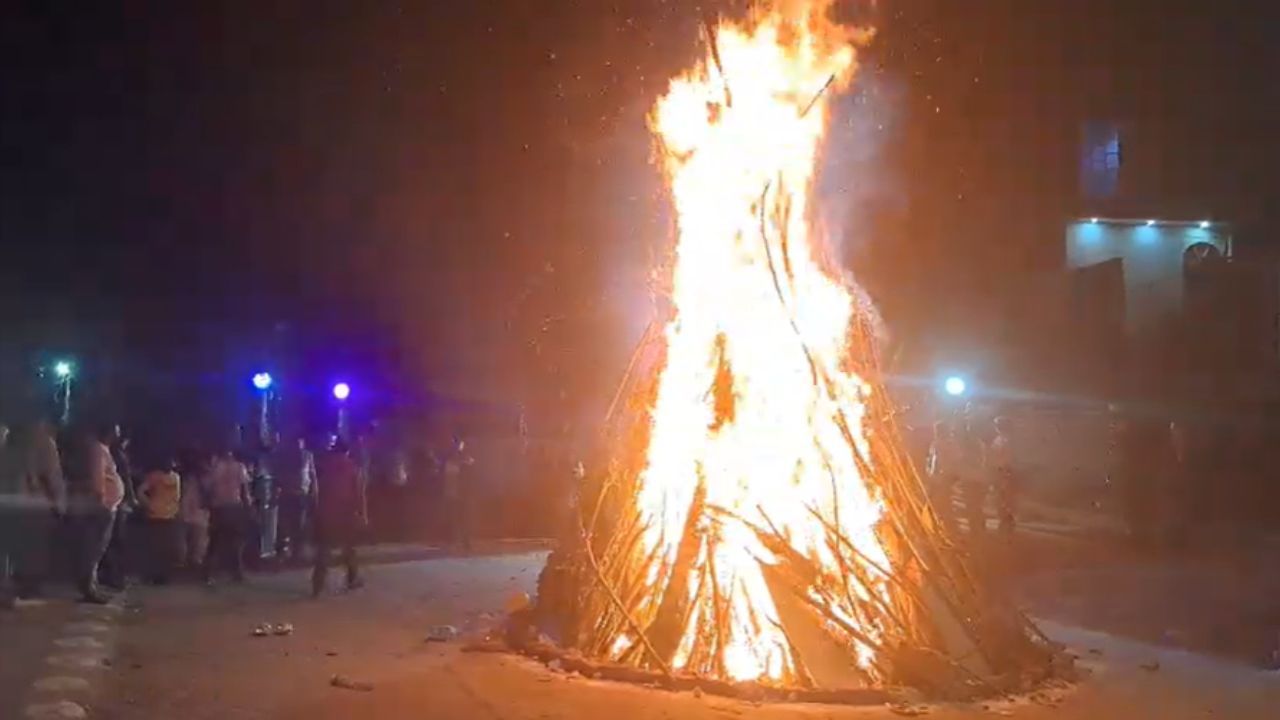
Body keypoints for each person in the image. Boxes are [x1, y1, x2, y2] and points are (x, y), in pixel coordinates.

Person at [1, 423, 65, 603]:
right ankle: (21, 589)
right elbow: (52, 478)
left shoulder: (8, 436)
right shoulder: (43, 442)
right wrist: (59, 506)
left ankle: (9, 589)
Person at [70, 424, 127, 604]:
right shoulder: (98, 450)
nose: (118, 435)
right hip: (102, 508)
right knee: (93, 549)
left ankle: (92, 586)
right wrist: (101, 501)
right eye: (116, 431)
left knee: (98, 549)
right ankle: (88, 588)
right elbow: (98, 479)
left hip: (108, 507)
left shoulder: (103, 450)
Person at [312, 439, 364, 597]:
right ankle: (352, 578)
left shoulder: (325, 466)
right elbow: (358, 493)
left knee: (324, 549)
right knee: (349, 546)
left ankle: (317, 584)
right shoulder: (352, 467)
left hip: (327, 511)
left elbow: (318, 489)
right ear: (346, 452)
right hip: (345, 511)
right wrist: (362, 514)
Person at [201, 449, 251, 584]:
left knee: (215, 541)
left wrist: (208, 504)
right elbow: (245, 490)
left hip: (219, 506)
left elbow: (207, 488)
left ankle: (209, 573)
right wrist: (248, 506)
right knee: (235, 541)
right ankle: (236, 572)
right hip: (233, 506)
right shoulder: (239, 467)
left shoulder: (215, 468)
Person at [99, 428, 136, 590]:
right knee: (114, 542)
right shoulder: (114, 454)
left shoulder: (112, 453)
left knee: (114, 542)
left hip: (116, 504)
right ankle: (113, 577)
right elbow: (126, 479)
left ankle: (114, 576)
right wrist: (130, 499)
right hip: (115, 505)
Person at [272, 435, 316, 562]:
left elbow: (312, 475)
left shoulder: (307, 456)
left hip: (301, 494)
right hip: (289, 494)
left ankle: (297, 551)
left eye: (300, 443)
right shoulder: (286, 457)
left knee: (299, 524)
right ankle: (288, 551)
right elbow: (279, 475)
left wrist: (314, 491)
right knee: (288, 524)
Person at [137, 459, 182, 583]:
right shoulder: (174, 477)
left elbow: (140, 492)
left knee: (157, 548)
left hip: (157, 515)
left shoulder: (156, 476)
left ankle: (156, 575)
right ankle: (161, 576)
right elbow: (177, 497)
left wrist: (149, 505)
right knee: (163, 549)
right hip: (167, 515)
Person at [178, 449, 210, 572]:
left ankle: (190, 565)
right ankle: (194, 566)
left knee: (190, 543)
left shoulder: (185, 479)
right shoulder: (203, 479)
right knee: (198, 545)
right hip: (197, 514)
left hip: (188, 512)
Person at [925, 419, 960, 534]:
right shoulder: (936, 444)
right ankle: (938, 525)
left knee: (943, 502)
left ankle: (946, 527)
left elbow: (944, 461)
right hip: (938, 477)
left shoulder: (945, 444)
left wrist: (938, 474)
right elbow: (931, 460)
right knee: (938, 502)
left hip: (943, 477)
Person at [441, 434, 474, 550]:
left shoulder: (462, 458)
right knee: (455, 517)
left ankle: (463, 541)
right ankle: (454, 540)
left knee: (461, 517)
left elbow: (470, 467)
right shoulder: (450, 458)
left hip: (459, 494)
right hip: (453, 494)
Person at [988, 416, 1019, 535]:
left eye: (998, 425)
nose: (996, 427)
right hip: (999, 471)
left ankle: (1007, 523)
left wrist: (1005, 472)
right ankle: (1004, 520)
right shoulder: (999, 439)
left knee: (1005, 498)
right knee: (1000, 498)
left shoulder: (1007, 440)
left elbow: (1008, 458)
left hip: (1004, 472)